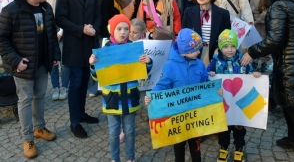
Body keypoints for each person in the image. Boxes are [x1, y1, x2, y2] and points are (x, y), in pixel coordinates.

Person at [0, 0, 61, 158]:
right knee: (25, 100)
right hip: (23, 66)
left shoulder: (46, 8)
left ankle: (39, 128)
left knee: (40, 96)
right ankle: (28, 138)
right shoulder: (11, 11)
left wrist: (55, 55)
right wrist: (16, 60)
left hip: (43, 63)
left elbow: (51, 34)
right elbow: (2, 39)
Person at [241, 0, 294, 154]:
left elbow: (275, 39)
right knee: (292, 103)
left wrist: (252, 51)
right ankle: (293, 138)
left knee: (292, 106)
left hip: (289, 61)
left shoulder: (279, 6)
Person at [89, 14, 152, 162]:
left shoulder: (133, 48)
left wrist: (148, 61)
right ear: (112, 30)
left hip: (130, 98)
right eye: (119, 29)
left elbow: (144, 73)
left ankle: (130, 158)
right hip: (112, 99)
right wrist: (93, 65)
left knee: (130, 130)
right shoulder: (104, 50)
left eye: (126, 29)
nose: (123, 32)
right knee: (113, 131)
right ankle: (114, 158)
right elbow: (97, 77)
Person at [145, 28, 213, 162]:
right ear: (185, 51)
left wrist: (214, 89)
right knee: (179, 147)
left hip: (195, 115)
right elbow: (162, 85)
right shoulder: (170, 66)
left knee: (196, 147)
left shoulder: (200, 64)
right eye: (196, 50)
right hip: (177, 116)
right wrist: (152, 95)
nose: (199, 52)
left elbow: (205, 83)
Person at [55, 0, 101, 139]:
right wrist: (80, 28)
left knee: (84, 82)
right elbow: (60, 18)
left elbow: (98, 16)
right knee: (75, 83)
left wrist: (95, 28)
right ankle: (74, 122)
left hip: (89, 45)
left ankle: (81, 113)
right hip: (73, 46)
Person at [208, 29, 261, 162]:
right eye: (226, 46)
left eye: (233, 46)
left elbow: (250, 73)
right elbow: (207, 74)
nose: (230, 49)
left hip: (239, 102)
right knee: (223, 128)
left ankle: (239, 148)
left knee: (239, 128)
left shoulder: (242, 60)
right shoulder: (215, 61)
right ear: (220, 47)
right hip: (223, 103)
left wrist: (254, 75)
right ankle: (224, 147)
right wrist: (211, 74)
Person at [182, 0, 231, 66]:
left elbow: (226, 36)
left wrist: (219, 49)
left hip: (214, 53)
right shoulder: (188, 12)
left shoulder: (223, 13)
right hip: (194, 52)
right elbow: (184, 35)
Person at [47, 0, 69, 101]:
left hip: (63, 31)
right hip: (50, 32)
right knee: (53, 62)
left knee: (64, 62)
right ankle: (55, 87)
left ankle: (64, 86)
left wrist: (60, 32)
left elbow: (66, 15)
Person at [246, 0, 271, 72]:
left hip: (262, 21)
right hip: (252, 19)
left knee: (264, 41)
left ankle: (265, 61)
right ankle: (254, 60)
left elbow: (266, 10)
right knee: (253, 41)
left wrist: (258, 20)